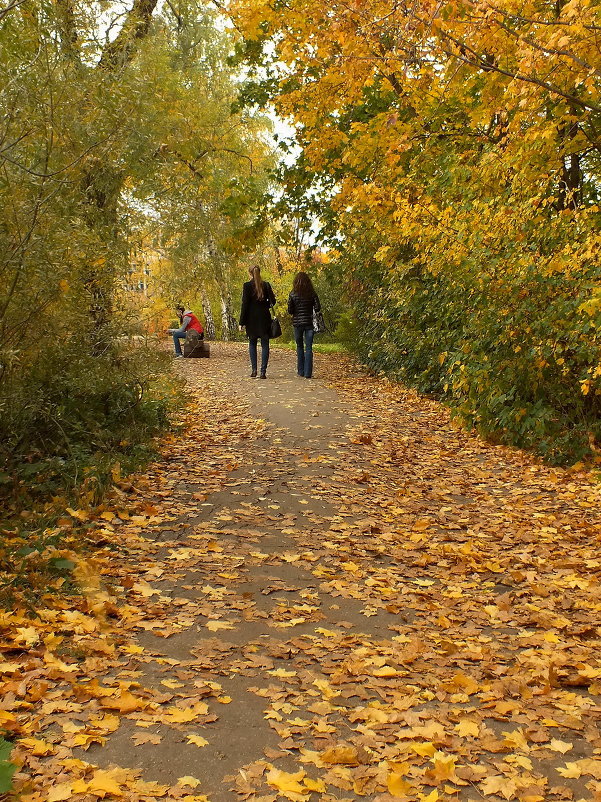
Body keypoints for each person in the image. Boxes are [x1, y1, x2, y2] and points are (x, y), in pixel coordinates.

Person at [239, 266, 276, 378]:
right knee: (265, 344)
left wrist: (242, 322)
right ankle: (263, 372)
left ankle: (254, 370)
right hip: (264, 317)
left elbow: (245, 305)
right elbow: (273, 301)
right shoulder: (266, 285)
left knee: (252, 343)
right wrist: (265, 304)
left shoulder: (247, 286)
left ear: (250, 273)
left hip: (251, 319)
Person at [288, 271, 321, 379]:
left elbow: (290, 310)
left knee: (299, 346)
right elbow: (317, 308)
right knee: (309, 347)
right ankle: (308, 373)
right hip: (309, 323)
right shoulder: (312, 293)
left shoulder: (292, 294)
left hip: (297, 324)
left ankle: (300, 371)